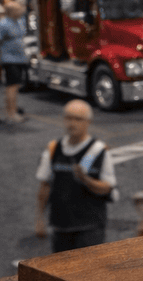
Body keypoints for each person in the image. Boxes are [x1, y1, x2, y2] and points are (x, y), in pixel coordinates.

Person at [34, 100, 117, 253]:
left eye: (78, 119)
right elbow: (45, 185)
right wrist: (40, 218)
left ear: (88, 122)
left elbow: (107, 188)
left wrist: (86, 180)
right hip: (60, 226)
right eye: (68, 118)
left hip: (90, 227)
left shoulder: (99, 151)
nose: (72, 123)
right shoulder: (53, 149)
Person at [1, 0, 29, 124]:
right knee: (11, 87)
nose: (22, 10)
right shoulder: (3, 25)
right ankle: (11, 114)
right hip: (9, 60)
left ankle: (13, 110)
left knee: (16, 87)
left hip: (20, 59)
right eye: (18, 9)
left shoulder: (20, 21)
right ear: (11, 12)